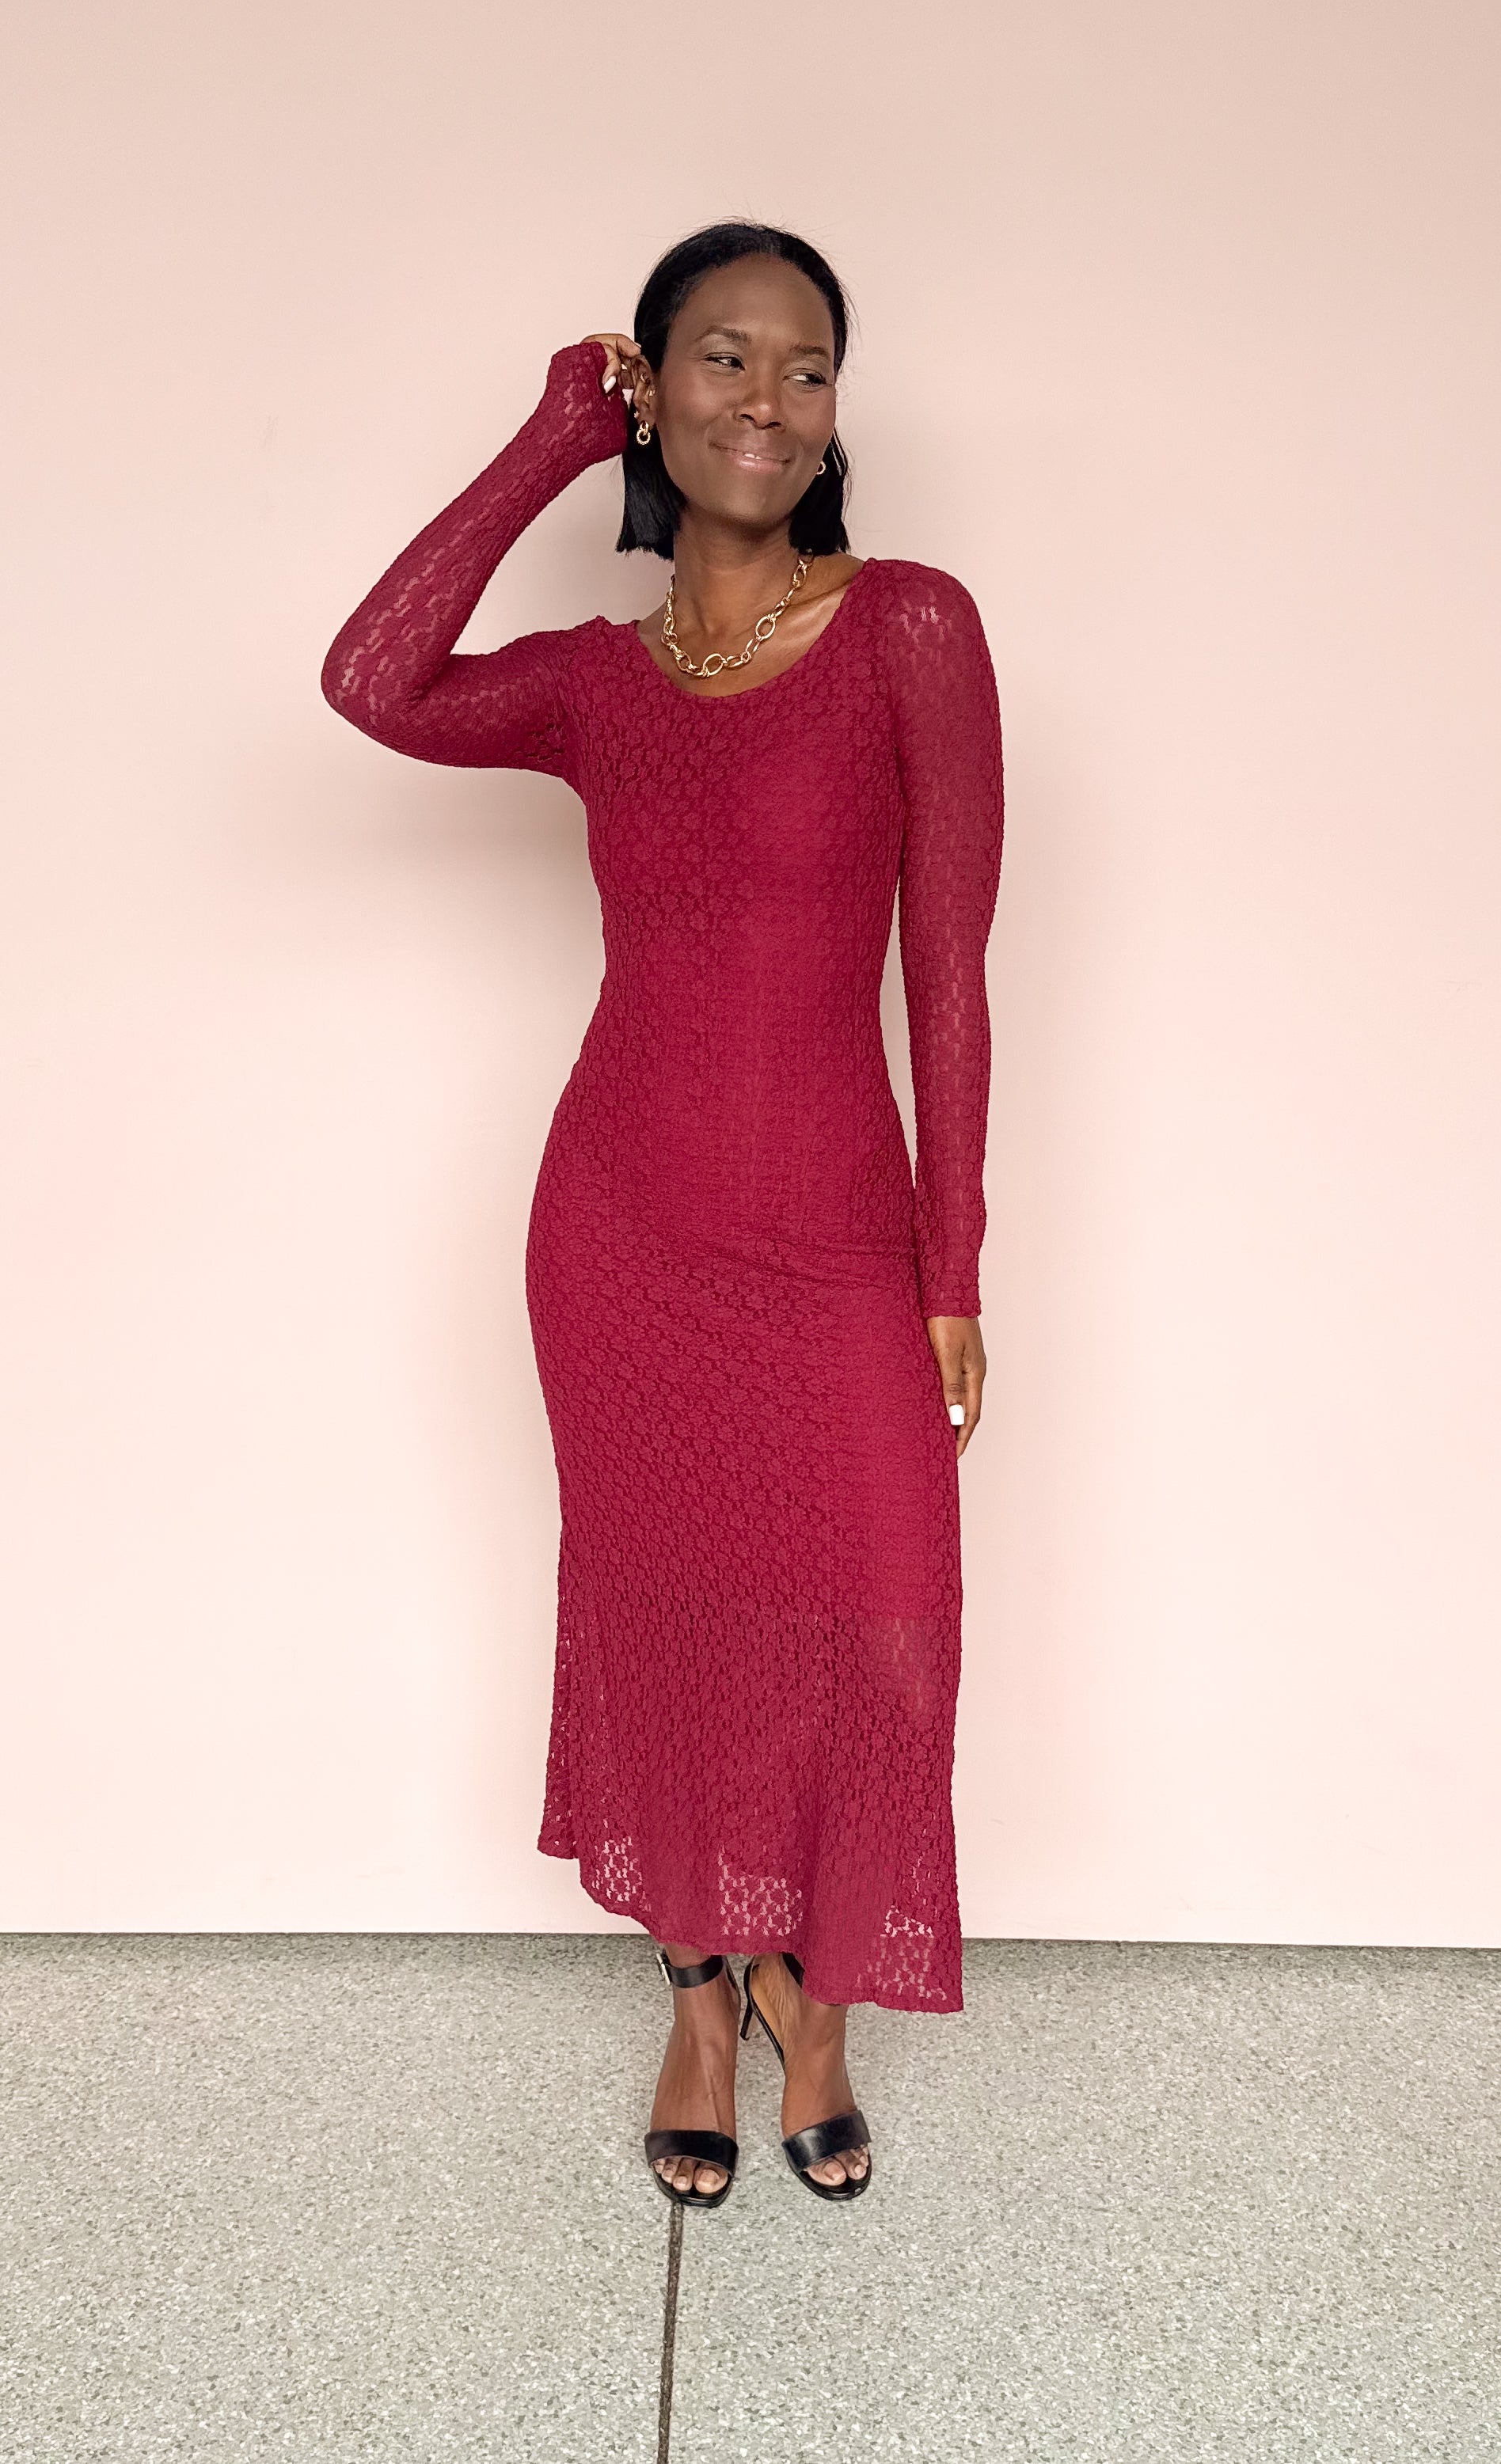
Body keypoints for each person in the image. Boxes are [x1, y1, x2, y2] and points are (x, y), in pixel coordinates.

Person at [321, 222, 1005, 2208]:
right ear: (653, 383)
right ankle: (707, 1995)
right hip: (620, 1231)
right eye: (722, 357)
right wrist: (551, 435)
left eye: (807, 367)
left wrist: (951, 1261)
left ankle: (824, 2000)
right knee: (666, 1612)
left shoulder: (912, 627)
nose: (767, 400)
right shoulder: (596, 685)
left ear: (835, 414)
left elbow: (950, 971)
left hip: (837, 1231)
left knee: (888, 1629)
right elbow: (372, 680)